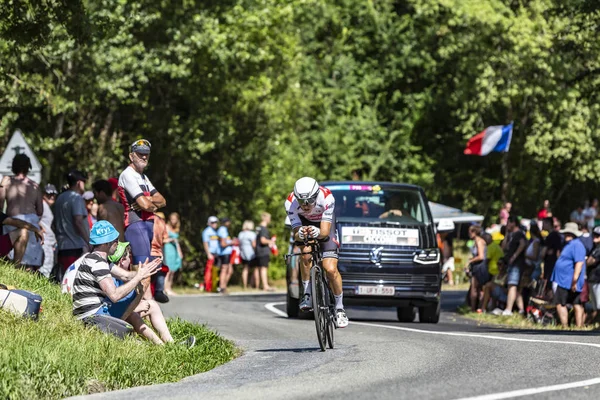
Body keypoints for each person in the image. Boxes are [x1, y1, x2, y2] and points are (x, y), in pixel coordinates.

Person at [284, 177, 348, 328]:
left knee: (330, 269)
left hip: (324, 224)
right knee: (305, 254)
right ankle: (307, 293)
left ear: (316, 194)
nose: (305, 205)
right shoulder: (290, 202)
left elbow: (325, 233)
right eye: (301, 201)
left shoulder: (327, 197)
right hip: (304, 224)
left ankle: (339, 308)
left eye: (310, 200)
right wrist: (300, 233)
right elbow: (295, 233)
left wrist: (317, 231)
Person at [108, 241, 195, 347]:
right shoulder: (113, 278)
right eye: (129, 257)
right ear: (122, 260)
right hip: (112, 319)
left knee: (152, 305)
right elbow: (118, 306)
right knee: (134, 315)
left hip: (122, 313)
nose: (131, 260)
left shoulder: (124, 276)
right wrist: (138, 301)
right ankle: (161, 346)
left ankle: (170, 343)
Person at [71, 221, 162, 320]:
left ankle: (123, 322)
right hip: (94, 317)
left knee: (140, 282)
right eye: (116, 240)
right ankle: (118, 324)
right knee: (142, 284)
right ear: (106, 243)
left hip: (89, 313)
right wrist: (139, 277)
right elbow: (114, 295)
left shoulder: (94, 258)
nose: (118, 244)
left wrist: (143, 271)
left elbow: (125, 276)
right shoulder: (98, 263)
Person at [118, 139, 166, 266]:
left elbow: (162, 201)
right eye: (140, 153)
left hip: (148, 223)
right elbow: (144, 205)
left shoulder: (144, 177)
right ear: (131, 156)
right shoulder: (127, 174)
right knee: (142, 269)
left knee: (148, 270)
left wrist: (149, 200)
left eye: (146, 154)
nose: (144, 157)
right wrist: (150, 204)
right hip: (136, 223)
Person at [0, 154, 44, 270]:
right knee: (30, 262)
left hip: (12, 221)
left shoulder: (6, 181)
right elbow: (40, 211)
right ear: (28, 168)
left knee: (10, 260)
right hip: (31, 220)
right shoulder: (35, 186)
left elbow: (0, 204)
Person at [550, 222, 586, 328]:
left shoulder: (577, 245)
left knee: (564, 303)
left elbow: (579, 263)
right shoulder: (569, 244)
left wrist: (574, 280)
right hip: (564, 280)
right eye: (566, 233)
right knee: (572, 303)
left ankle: (571, 326)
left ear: (574, 234)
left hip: (568, 280)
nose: (567, 235)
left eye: (569, 234)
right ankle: (567, 326)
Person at [54, 169, 90, 273]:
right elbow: (78, 221)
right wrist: (89, 242)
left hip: (62, 246)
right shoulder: (76, 198)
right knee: (73, 279)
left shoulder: (60, 198)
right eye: (84, 182)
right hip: (74, 246)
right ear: (79, 183)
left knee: (64, 278)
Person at [500, 216, 527, 316]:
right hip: (510, 264)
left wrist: (514, 256)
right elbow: (503, 247)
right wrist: (506, 234)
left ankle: (509, 309)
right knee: (514, 287)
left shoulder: (519, 234)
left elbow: (523, 244)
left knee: (512, 285)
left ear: (514, 223)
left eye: (509, 222)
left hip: (517, 264)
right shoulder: (511, 235)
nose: (507, 225)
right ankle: (521, 309)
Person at [466, 225, 487, 312]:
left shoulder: (479, 241)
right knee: (477, 288)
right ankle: (477, 307)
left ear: (475, 232)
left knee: (476, 288)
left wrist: (470, 261)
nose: (469, 234)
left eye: (470, 232)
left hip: (480, 266)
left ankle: (475, 308)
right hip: (477, 266)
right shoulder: (476, 241)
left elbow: (481, 256)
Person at [39, 184, 58, 278]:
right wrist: (40, 228)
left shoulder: (46, 206)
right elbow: (35, 218)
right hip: (44, 242)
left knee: (48, 266)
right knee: (45, 267)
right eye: (49, 194)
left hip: (49, 242)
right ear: (43, 194)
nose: (52, 196)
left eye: (54, 194)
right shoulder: (42, 205)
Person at [163, 212, 183, 296]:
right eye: (172, 219)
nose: (173, 221)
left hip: (174, 249)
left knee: (173, 270)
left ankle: (169, 287)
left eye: (175, 219)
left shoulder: (176, 229)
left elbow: (177, 242)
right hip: (168, 248)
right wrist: (171, 240)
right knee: (168, 269)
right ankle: (165, 288)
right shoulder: (166, 227)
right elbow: (163, 239)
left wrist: (179, 252)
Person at [255, 212, 275, 292]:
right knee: (264, 269)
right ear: (266, 219)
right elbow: (263, 240)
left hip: (258, 251)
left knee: (259, 268)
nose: (270, 220)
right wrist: (270, 241)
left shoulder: (258, 228)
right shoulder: (263, 229)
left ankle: (260, 285)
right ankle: (265, 286)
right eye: (269, 218)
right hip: (263, 251)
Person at [541, 217, 562, 287]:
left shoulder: (551, 236)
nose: (542, 226)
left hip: (550, 262)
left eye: (544, 223)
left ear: (548, 224)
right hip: (553, 262)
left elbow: (544, 251)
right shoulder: (556, 235)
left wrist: (542, 255)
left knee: (549, 281)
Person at [585, 227, 600, 323]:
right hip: (593, 279)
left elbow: (590, 262)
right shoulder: (595, 248)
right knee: (595, 306)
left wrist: (586, 260)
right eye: (594, 235)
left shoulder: (598, 250)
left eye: (598, 235)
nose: (595, 237)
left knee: (599, 306)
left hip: (598, 280)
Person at [202, 216, 220, 292]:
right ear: (209, 223)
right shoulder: (206, 231)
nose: (214, 224)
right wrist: (208, 253)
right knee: (209, 270)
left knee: (216, 270)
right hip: (211, 253)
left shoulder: (216, 231)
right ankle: (208, 287)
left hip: (217, 253)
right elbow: (205, 243)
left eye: (215, 222)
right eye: (212, 222)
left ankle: (214, 286)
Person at [238, 220, 257, 290]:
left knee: (245, 269)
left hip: (243, 254)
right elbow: (254, 244)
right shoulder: (251, 234)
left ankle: (245, 285)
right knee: (255, 269)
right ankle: (253, 285)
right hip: (251, 254)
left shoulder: (241, 234)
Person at [217, 217, 234, 294]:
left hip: (226, 252)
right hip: (225, 253)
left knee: (229, 270)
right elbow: (223, 244)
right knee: (225, 269)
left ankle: (223, 286)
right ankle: (222, 287)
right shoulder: (223, 230)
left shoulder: (222, 230)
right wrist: (232, 242)